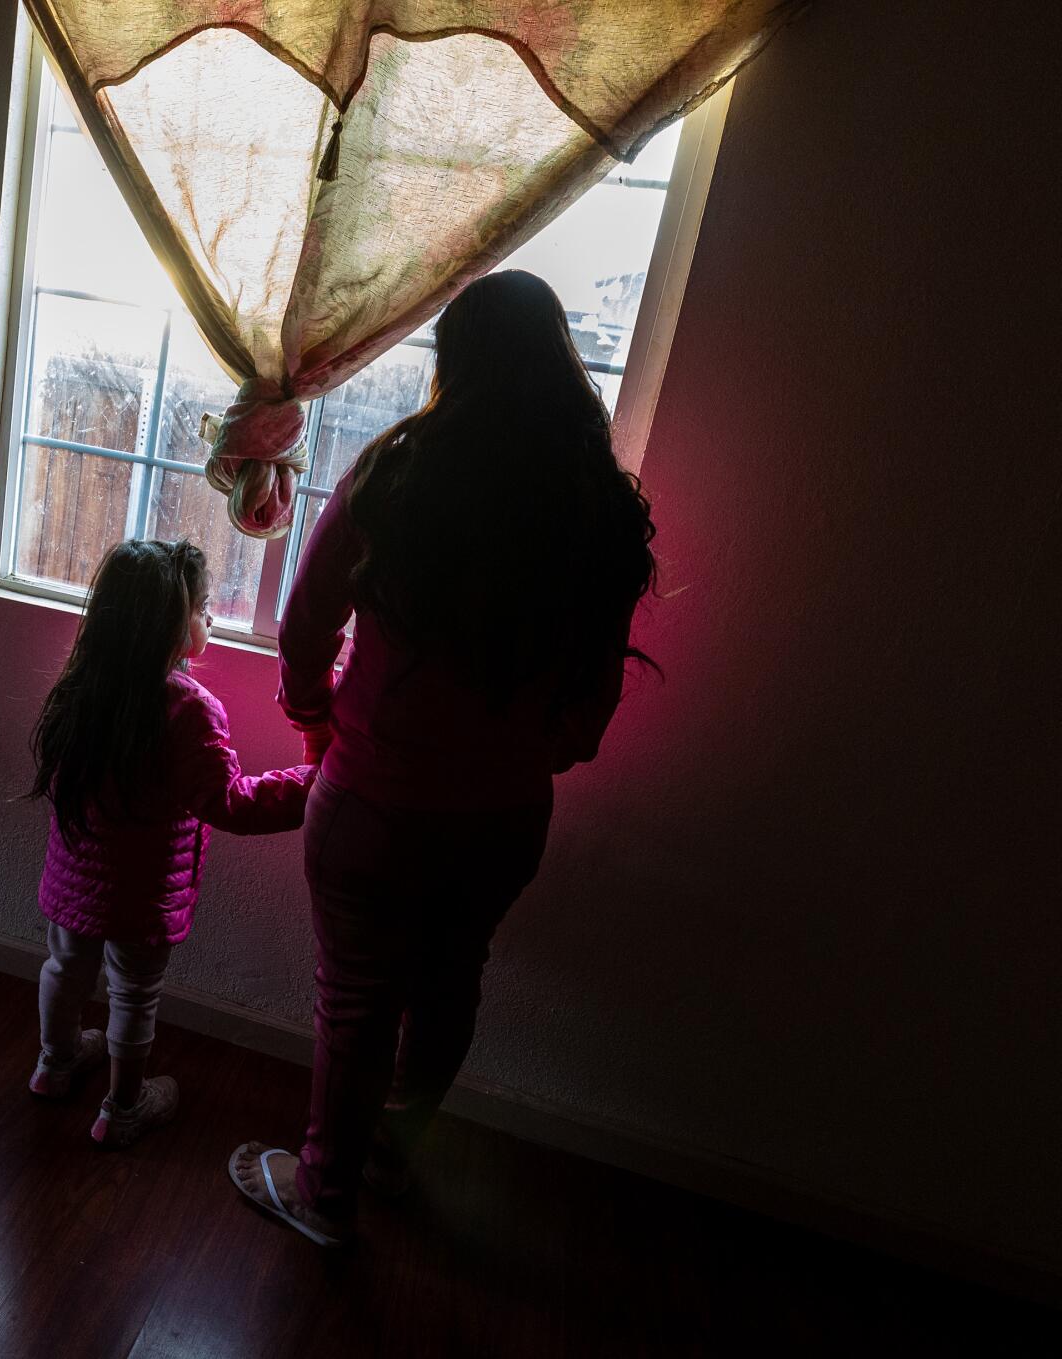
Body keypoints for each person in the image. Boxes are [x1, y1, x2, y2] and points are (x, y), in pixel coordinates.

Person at [229, 270, 660, 1244]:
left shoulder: (398, 471)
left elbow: (304, 628)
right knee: (448, 985)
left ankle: (323, 1194)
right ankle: (385, 1154)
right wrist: (527, 751)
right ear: (560, 363)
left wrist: (316, 724)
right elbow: (587, 716)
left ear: (450, 361)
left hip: (373, 803)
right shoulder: (594, 506)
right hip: (503, 819)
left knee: (355, 1004)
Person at [29, 539, 315, 1146]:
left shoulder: (82, 686)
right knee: (134, 992)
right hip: (142, 897)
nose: (211, 618)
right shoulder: (189, 709)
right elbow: (229, 802)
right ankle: (121, 1110)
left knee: (65, 966)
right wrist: (310, 784)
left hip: (74, 880)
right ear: (169, 623)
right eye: (205, 607)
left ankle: (54, 1068)